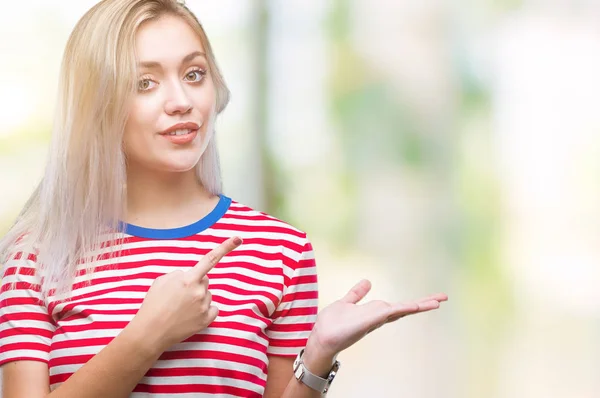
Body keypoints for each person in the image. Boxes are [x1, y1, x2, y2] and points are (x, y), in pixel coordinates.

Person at [0, 1, 448, 397]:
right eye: (145, 83)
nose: (181, 101)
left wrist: (317, 357)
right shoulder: (37, 256)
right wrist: (147, 334)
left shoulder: (281, 252)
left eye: (194, 74)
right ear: (96, 103)